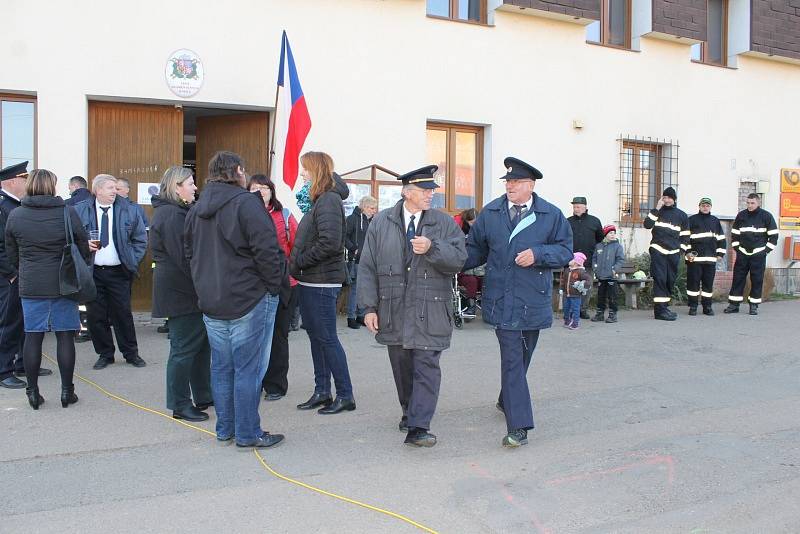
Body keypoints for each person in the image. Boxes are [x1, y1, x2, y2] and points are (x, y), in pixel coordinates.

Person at [464, 157, 573, 448]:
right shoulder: (491, 212)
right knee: (512, 359)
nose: (510, 186)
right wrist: (444, 258)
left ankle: (506, 399)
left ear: (531, 185)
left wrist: (538, 254)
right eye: (507, 182)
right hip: (502, 299)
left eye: (516, 182)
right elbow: (473, 251)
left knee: (523, 356)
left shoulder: (551, 214)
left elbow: (565, 252)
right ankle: (519, 425)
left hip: (532, 300)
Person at [358, 165, 466, 447]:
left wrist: (433, 248)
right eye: (425, 190)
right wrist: (368, 307)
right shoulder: (381, 223)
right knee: (402, 366)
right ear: (407, 192)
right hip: (393, 310)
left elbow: (459, 260)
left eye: (432, 190)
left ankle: (419, 426)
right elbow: (367, 267)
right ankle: (409, 411)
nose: (431, 194)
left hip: (431, 310)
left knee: (427, 365)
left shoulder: (444, 224)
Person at [185, 151, 286, 449]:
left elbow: (189, 255)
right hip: (248, 298)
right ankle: (247, 432)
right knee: (247, 369)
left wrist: (203, 287)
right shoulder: (246, 203)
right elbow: (267, 251)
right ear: (238, 171)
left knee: (222, 367)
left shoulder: (197, 207)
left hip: (213, 299)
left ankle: (226, 429)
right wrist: (272, 287)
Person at [4, 169, 90, 409]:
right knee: (65, 336)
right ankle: (66, 392)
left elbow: (11, 251)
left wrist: (23, 270)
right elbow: (82, 245)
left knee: (32, 336)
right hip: (64, 283)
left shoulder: (17, 214)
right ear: (52, 187)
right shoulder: (66, 212)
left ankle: (32, 393)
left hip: (31, 283)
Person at [290, 151, 356, 415]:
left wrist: (301, 261)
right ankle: (322, 391)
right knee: (317, 338)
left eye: (304, 169)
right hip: (311, 281)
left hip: (321, 282)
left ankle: (345, 394)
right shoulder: (320, 199)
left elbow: (329, 242)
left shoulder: (328, 200)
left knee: (327, 339)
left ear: (315, 170)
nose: (302, 174)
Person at [150, 166, 212, 422]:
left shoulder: (175, 212)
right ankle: (179, 404)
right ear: (177, 187)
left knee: (200, 348)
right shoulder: (173, 216)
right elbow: (186, 259)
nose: (195, 187)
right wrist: (207, 283)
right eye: (190, 183)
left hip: (186, 291)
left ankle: (204, 395)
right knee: (184, 349)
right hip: (181, 292)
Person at [74, 174, 148, 369]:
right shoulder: (80, 210)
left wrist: (132, 260)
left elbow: (141, 239)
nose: (114, 191)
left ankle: (131, 353)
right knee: (96, 316)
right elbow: (71, 240)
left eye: (115, 188)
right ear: (97, 190)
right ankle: (105, 354)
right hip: (93, 273)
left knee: (123, 314)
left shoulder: (129, 210)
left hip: (119, 272)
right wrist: (84, 246)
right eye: (110, 188)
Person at [1, 162, 52, 388]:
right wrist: (12, 274)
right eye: (24, 180)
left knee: (24, 321)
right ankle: (3, 370)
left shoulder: (15, 205)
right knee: (8, 323)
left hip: (23, 274)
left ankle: (23, 362)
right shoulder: (4, 206)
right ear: (12, 182)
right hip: (9, 277)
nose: (27, 184)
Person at [247, 173, 298, 401]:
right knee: (253, 337)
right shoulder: (243, 214)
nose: (259, 191)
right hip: (253, 285)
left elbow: (297, 247)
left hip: (283, 283)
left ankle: (276, 384)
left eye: (264, 187)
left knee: (278, 336)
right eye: (254, 187)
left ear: (271, 190)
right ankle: (254, 381)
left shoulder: (284, 215)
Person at [724, 193, 778, 316]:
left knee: (757, 280)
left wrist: (765, 251)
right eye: (748, 203)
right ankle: (734, 305)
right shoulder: (741, 216)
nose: (749, 205)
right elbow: (735, 234)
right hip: (742, 253)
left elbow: (774, 236)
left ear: (758, 203)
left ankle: (753, 306)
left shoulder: (766, 216)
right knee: (738, 279)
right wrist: (737, 248)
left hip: (758, 255)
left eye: (752, 203)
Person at [643, 186, 689, 321]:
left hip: (673, 252)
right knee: (660, 279)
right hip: (658, 250)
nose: (667, 200)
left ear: (674, 199)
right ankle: (660, 311)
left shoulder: (681, 215)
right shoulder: (658, 212)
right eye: (665, 197)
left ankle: (664, 307)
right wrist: (656, 208)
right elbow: (647, 224)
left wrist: (681, 250)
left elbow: (685, 235)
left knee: (670, 280)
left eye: (669, 197)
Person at [686, 197, 726, 316]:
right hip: (694, 260)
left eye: (707, 206)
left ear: (710, 207)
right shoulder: (691, 220)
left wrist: (720, 254)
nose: (705, 207)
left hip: (710, 260)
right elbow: (685, 238)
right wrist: (687, 252)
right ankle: (693, 307)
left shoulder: (715, 221)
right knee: (693, 284)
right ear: (699, 206)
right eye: (703, 205)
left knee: (708, 285)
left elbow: (721, 239)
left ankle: (707, 307)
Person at [567, 197, 603, 319]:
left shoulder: (594, 221)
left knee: (586, 285)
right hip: (572, 262)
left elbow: (600, 239)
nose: (575, 209)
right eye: (574, 206)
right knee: (571, 286)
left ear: (585, 207)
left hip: (588, 261)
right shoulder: (568, 221)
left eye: (578, 206)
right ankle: (571, 310)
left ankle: (583, 309)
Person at [344, 195, 378, 329]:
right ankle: (351, 317)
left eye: (375, 208)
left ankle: (360, 315)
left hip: (368, 260)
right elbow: (344, 236)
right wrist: (354, 248)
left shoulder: (371, 221)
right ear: (364, 207)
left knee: (363, 288)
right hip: (356, 260)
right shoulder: (353, 219)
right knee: (354, 289)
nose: (374, 211)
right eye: (371, 208)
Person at [591, 225, 625, 323]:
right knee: (600, 295)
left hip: (612, 276)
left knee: (612, 296)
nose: (612, 235)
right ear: (605, 234)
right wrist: (595, 269)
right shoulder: (599, 246)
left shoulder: (617, 246)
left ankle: (612, 314)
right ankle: (600, 313)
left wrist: (615, 269)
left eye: (614, 233)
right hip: (601, 276)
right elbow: (594, 259)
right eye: (610, 233)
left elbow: (620, 259)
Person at [454, 208, 482, 317]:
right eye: (472, 222)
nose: (474, 225)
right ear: (467, 221)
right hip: (464, 269)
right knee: (471, 281)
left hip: (479, 269)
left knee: (487, 280)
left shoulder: (481, 232)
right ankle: (471, 306)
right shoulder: (459, 231)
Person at [560, 252, 591, 330]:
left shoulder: (581, 271)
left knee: (575, 309)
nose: (569, 260)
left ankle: (575, 323)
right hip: (566, 293)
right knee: (566, 308)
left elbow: (588, 280)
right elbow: (563, 281)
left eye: (571, 259)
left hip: (576, 295)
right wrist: (561, 288)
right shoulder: (567, 270)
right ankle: (567, 320)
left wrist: (583, 284)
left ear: (577, 262)